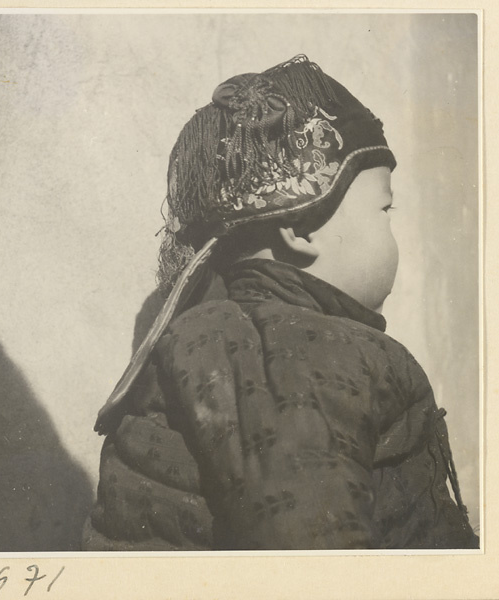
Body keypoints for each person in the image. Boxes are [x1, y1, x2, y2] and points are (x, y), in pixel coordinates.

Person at [82, 55, 478, 550]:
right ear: (302, 227)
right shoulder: (288, 350)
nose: (394, 228)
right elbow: (310, 546)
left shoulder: (239, 336)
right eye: (385, 207)